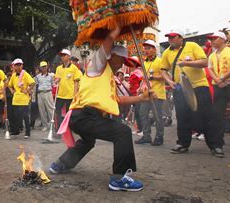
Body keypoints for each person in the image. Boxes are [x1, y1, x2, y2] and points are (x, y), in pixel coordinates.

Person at [49, 27, 154, 192]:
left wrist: (142, 98)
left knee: (88, 141)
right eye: (121, 60)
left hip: (83, 117)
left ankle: (60, 164)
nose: (122, 65)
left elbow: (117, 100)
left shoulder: (110, 79)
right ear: (111, 56)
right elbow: (107, 43)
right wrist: (117, 26)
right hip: (85, 115)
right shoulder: (97, 66)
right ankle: (119, 179)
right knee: (123, 132)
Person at [160, 29, 223, 157]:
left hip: (199, 86)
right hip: (180, 89)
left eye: (173, 37)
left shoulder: (192, 46)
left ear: (181, 38)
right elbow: (163, 69)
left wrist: (187, 63)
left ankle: (216, 146)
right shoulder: (166, 52)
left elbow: (205, 62)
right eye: (169, 37)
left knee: (207, 117)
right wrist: (169, 81)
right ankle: (182, 144)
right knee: (182, 117)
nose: (170, 40)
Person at [207, 31, 230, 148]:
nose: (212, 41)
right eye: (211, 39)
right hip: (219, 87)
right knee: (217, 114)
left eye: (214, 39)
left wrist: (221, 78)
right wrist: (217, 80)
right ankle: (218, 141)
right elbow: (210, 69)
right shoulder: (212, 55)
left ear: (222, 39)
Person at [135, 40, 166, 146]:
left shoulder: (160, 61)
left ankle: (159, 137)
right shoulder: (144, 62)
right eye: (145, 48)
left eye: (148, 48)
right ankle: (146, 136)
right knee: (142, 114)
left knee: (157, 116)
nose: (146, 50)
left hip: (157, 94)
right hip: (146, 94)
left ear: (154, 49)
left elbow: (165, 76)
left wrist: (152, 77)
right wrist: (140, 88)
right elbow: (144, 79)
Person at [8, 58, 36, 138]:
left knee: (25, 116)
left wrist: (27, 90)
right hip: (16, 99)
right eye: (16, 65)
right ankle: (16, 131)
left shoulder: (25, 74)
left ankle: (27, 132)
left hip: (24, 99)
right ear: (14, 66)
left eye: (19, 65)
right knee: (15, 116)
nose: (18, 66)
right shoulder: (13, 75)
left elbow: (32, 83)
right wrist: (12, 91)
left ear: (22, 65)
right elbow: (9, 85)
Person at [55, 49, 82, 129]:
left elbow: (76, 82)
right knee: (57, 111)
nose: (62, 57)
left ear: (68, 56)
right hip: (60, 94)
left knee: (69, 113)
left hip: (70, 95)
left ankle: (69, 128)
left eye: (64, 55)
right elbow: (57, 79)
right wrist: (56, 80)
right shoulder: (58, 68)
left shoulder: (74, 68)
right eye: (61, 55)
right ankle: (59, 127)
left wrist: (75, 94)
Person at [35, 61, 55, 131]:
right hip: (40, 93)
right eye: (42, 67)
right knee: (42, 110)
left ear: (47, 67)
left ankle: (52, 125)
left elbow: (53, 84)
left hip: (48, 93)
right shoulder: (38, 76)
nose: (44, 68)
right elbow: (37, 85)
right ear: (40, 68)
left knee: (50, 109)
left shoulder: (51, 75)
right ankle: (45, 125)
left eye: (45, 66)